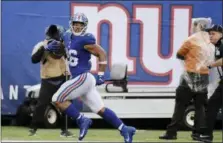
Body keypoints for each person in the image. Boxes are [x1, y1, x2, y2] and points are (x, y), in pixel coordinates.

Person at [50, 13, 136, 142]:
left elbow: (102, 54)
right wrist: (51, 47)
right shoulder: (67, 36)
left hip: (82, 77)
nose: (78, 27)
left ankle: (82, 119)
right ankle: (125, 129)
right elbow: (65, 49)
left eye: (80, 25)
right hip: (82, 80)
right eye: (75, 24)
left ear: (85, 26)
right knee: (100, 109)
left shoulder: (86, 39)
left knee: (57, 98)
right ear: (71, 24)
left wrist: (101, 74)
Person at [159, 17, 215, 140]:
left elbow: (179, 54)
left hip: (190, 75)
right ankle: (197, 133)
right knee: (200, 107)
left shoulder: (191, 40)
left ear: (199, 26)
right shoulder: (211, 42)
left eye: (194, 25)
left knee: (180, 105)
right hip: (204, 76)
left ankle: (171, 132)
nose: (192, 27)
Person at [29, 25, 73, 137]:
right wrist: (45, 48)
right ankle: (33, 129)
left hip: (63, 78)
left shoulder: (65, 45)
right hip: (48, 79)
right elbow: (34, 59)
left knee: (65, 104)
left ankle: (65, 130)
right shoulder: (41, 44)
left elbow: (68, 61)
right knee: (41, 105)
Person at [198, 24, 223, 143]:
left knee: (212, 104)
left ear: (221, 34)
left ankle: (208, 135)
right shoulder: (218, 46)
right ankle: (207, 134)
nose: (210, 36)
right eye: (209, 34)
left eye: (213, 33)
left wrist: (210, 65)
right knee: (212, 105)